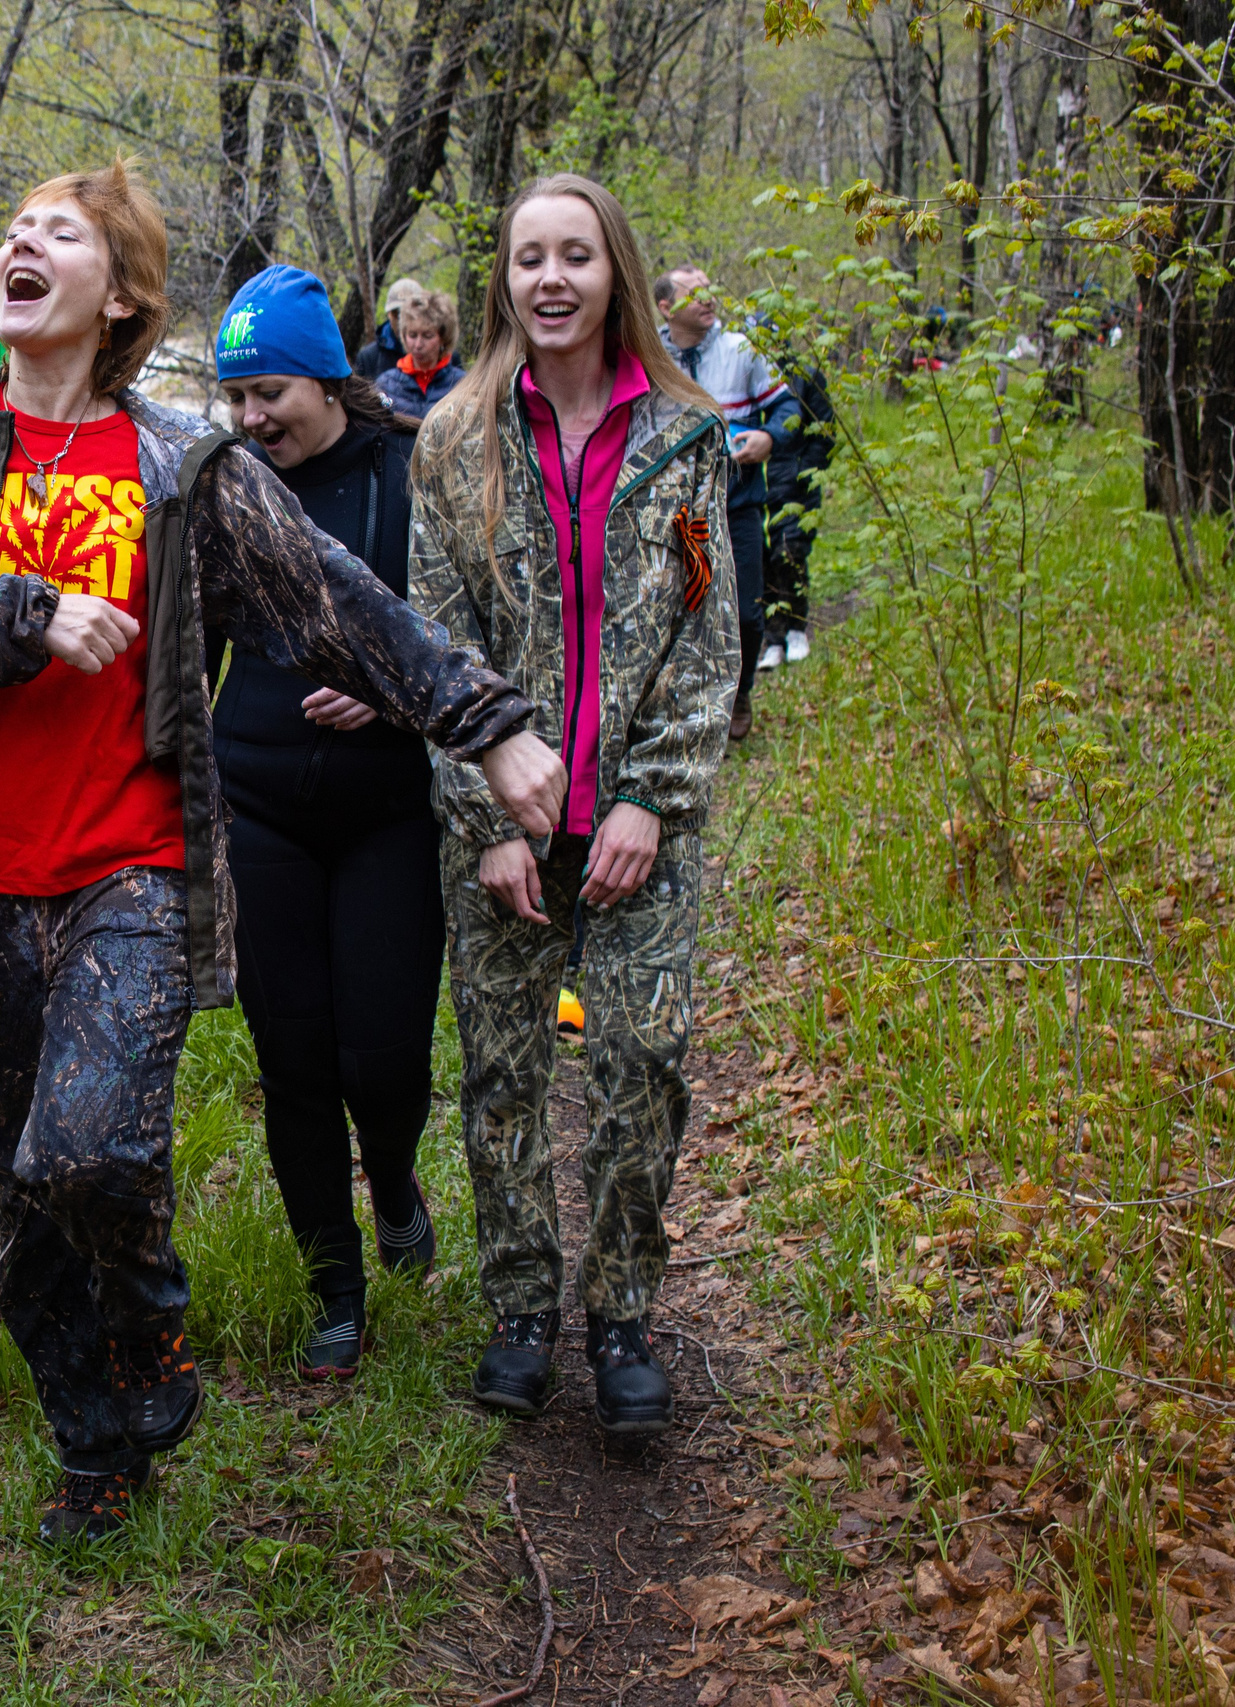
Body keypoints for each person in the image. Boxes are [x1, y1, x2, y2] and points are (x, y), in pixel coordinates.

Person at [0, 161, 565, 1544]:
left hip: (128, 871)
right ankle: (97, 1445)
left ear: (123, 294)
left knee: (90, 1149)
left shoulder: (183, 466)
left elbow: (343, 608)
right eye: (15, 229)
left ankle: (151, 1311)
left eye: (61, 234)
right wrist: (10, 614)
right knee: (22, 1221)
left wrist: (491, 725)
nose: (23, 243)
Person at [411, 173, 736, 1439]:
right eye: (528, 258)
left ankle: (622, 1317)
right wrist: (482, 814)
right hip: (503, 825)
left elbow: (710, 641)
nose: (550, 279)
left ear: (616, 275)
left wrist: (652, 798)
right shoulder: (453, 437)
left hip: (639, 828)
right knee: (499, 1074)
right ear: (504, 278)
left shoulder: (685, 439)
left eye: (576, 257)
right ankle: (521, 1312)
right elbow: (429, 648)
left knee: (638, 1063)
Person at [211, 264, 441, 1382]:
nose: (254, 419)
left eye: (273, 394)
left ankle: (393, 1183)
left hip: (389, 810)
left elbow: (464, 635)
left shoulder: (410, 472)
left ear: (330, 380)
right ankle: (333, 1288)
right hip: (256, 802)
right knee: (293, 1057)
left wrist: (386, 687)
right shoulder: (226, 486)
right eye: (236, 397)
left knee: (384, 1061)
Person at [658, 264, 800, 739]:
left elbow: (788, 408)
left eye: (710, 289)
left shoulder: (742, 348)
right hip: (672, 508)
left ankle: (739, 694)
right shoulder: (646, 355)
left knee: (744, 611)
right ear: (665, 307)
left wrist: (769, 436)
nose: (707, 298)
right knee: (678, 608)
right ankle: (682, 713)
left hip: (737, 498)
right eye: (693, 292)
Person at [762, 360, 834, 666]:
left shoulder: (805, 377)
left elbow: (824, 432)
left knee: (789, 554)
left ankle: (796, 629)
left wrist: (803, 472)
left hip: (795, 488)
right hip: (755, 486)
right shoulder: (741, 372)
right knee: (761, 561)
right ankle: (773, 639)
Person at [376, 290, 464, 418]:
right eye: (412, 335)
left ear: (443, 337)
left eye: (427, 336)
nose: (418, 345)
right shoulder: (386, 385)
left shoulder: (461, 385)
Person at [353, 276, 427, 379]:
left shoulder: (441, 356)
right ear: (389, 314)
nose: (403, 320)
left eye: (410, 314)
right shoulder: (368, 358)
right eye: (397, 313)